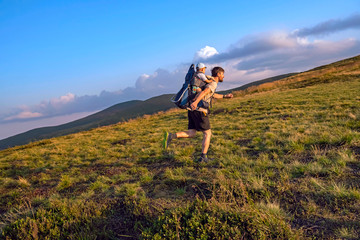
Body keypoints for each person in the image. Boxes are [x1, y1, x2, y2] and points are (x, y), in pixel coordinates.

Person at [163, 66, 233, 162]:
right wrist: (195, 103)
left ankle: (171, 136)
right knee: (207, 133)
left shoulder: (208, 82)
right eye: (222, 74)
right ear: (218, 74)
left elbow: (211, 94)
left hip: (192, 110)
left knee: (192, 133)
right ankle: (203, 157)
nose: (223, 76)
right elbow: (205, 92)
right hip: (199, 110)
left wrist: (225, 96)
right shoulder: (213, 83)